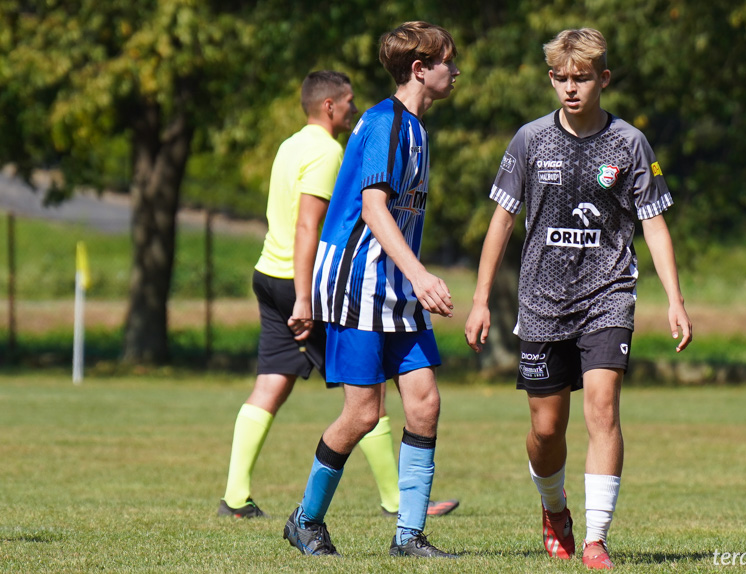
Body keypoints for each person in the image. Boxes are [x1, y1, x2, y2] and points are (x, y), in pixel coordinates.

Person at [464, 28, 692, 570]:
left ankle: (595, 539)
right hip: (541, 301)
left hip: (608, 295)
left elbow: (655, 226)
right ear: (551, 79)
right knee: (546, 430)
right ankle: (554, 510)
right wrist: (478, 301)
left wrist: (676, 299)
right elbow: (501, 221)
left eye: (582, 78)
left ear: (603, 79)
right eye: (562, 79)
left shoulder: (630, 144)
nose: (571, 88)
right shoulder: (530, 140)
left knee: (603, 410)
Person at [217, 70, 458, 521]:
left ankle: (235, 494)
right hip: (316, 281)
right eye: (346, 101)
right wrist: (304, 297)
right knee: (364, 406)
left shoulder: (290, 146)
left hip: (269, 272)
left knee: (271, 385)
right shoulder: (330, 150)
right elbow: (311, 226)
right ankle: (382, 500)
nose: (351, 108)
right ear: (329, 105)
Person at [282, 21, 460, 558]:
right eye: (448, 61)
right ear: (419, 69)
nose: (456, 71)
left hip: (395, 283)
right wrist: (423, 275)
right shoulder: (385, 123)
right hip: (358, 281)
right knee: (363, 414)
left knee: (424, 403)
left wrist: (412, 278)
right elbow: (373, 209)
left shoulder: (417, 128)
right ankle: (305, 520)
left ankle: (408, 536)